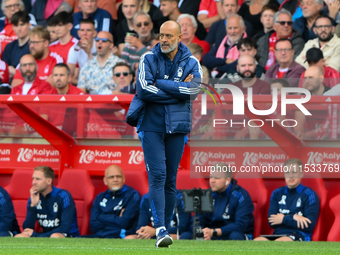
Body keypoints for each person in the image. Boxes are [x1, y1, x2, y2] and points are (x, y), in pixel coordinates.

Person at [128, 20, 202, 247]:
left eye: (169, 36)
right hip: (152, 125)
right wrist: (176, 90)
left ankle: (165, 229)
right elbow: (143, 89)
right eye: (161, 35)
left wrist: (161, 84)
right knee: (158, 176)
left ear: (180, 38)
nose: (164, 40)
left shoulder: (192, 62)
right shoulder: (147, 58)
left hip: (178, 127)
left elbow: (194, 90)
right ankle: (160, 229)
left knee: (170, 180)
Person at [181, 163, 254, 240]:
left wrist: (214, 232)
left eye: (217, 178)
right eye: (211, 177)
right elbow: (197, 219)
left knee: (235, 236)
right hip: (210, 234)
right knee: (186, 236)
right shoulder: (207, 194)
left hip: (230, 233)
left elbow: (241, 225)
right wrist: (202, 232)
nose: (212, 181)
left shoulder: (241, 195)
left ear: (227, 180)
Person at [254, 158, 320, 241]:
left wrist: (282, 219)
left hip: (299, 235)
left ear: (301, 174)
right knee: (257, 241)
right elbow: (272, 222)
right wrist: (294, 217)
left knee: (281, 242)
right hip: (278, 234)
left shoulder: (309, 194)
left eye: (294, 172)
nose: (290, 175)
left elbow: (308, 225)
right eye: (287, 172)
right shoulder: (277, 193)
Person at [15, 166, 79, 238]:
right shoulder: (34, 197)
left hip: (66, 234)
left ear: (49, 181)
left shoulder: (63, 196)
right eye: (33, 178)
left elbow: (64, 228)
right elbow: (27, 228)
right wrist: (33, 205)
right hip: (45, 235)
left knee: (55, 236)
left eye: (38, 179)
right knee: (20, 236)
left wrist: (37, 235)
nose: (33, 182)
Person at [89, 165, 141, 238]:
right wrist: (116, 218)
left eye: (118, 176)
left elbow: (124, 223)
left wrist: (101, 217)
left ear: (123, 179)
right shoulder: (100, 197)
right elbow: (93, 225)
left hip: (122, 237)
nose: (115, 179)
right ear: (105, 181)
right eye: (111, 177)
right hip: (101, 236)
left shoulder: (133, 195)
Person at [67, 18, 97, 85]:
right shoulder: (74, 49)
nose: (85, 33)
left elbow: (99, 72)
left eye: (88, 30)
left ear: (94, 33)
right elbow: (68, 76)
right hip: (84, 83)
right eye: (82, 30)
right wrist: (83, 84)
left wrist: (89, 52)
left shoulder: (100, 45)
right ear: (79, 33)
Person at [2, 10, 30, 78]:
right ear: (13, 27)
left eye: (22, 24)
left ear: (29, 25)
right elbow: (4, 72)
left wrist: (12, 70)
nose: (19, 29)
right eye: (16, 25)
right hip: (10, 86)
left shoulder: (34, 46)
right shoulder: (9, 47)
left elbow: (30, 75)